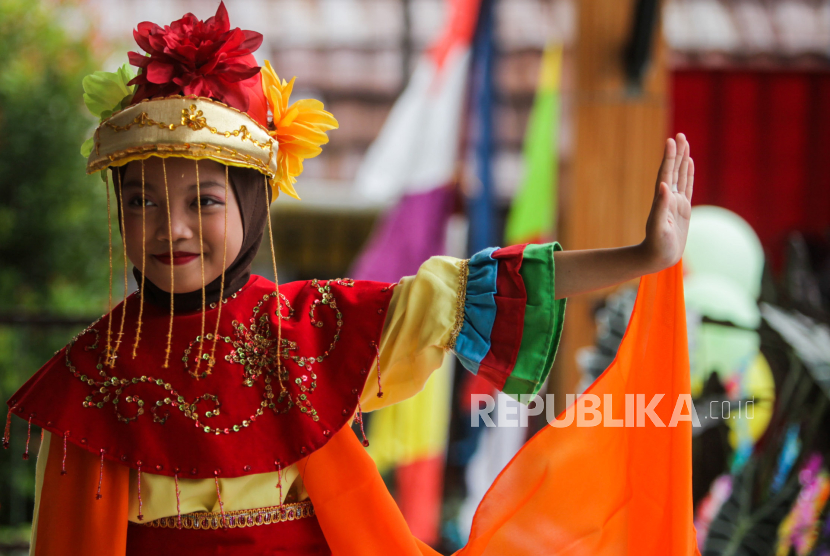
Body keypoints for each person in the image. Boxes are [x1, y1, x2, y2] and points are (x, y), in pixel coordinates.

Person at [4, 3, 694, 555]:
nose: (171, 228)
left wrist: (638, 257)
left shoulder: (316, 328)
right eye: (142, 202)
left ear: (252, 205)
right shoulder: (92, 378)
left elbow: (467, 290)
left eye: (203, 202)